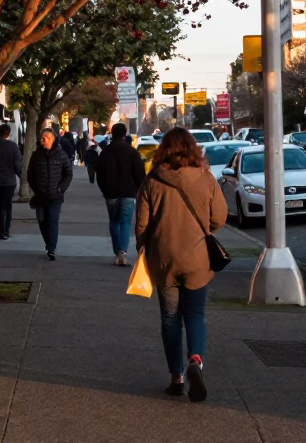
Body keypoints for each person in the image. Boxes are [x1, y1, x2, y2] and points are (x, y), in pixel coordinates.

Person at [135, 127, 226, 403]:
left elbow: (142, 224)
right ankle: (195, 359)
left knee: (170, 318)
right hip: (198, 259)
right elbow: (220, 217)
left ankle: (176, 377)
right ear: (192, 149)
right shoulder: (206, 178)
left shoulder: (153, 181)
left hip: (164, 260)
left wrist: (145, 246)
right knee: (195, 315)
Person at [96, 123, 145, 266]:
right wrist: (137, 189)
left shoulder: (106, 152)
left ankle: (117, 251)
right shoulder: (131, 152)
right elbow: (140, 174)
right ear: (125, 134)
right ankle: (123, 252)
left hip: (111, 192)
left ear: (112, 133)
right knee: (125, 222)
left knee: (114, 222)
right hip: (129, 193)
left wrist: (104, 189)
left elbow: (100, 173)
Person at [27, 128, 73, 260]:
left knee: (53, 221)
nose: (43, 140)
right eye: (42, 137)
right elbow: (30, 175)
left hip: (55, 196)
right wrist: (37, 189)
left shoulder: (61, 155)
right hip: (40, 196)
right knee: (42, 221)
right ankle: (48, 242)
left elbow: (68, 174)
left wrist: (60, 189)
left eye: (46, 137)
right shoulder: (36, 155)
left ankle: (51, 248)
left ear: (53, 139)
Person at [0, 123, 23, 239]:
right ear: (8, 133)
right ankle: (6, 230)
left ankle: (2, 231)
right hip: (9, 181)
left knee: (0, 205)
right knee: (8, 205)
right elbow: (17, 165)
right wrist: (22, 176)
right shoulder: (13, 147)